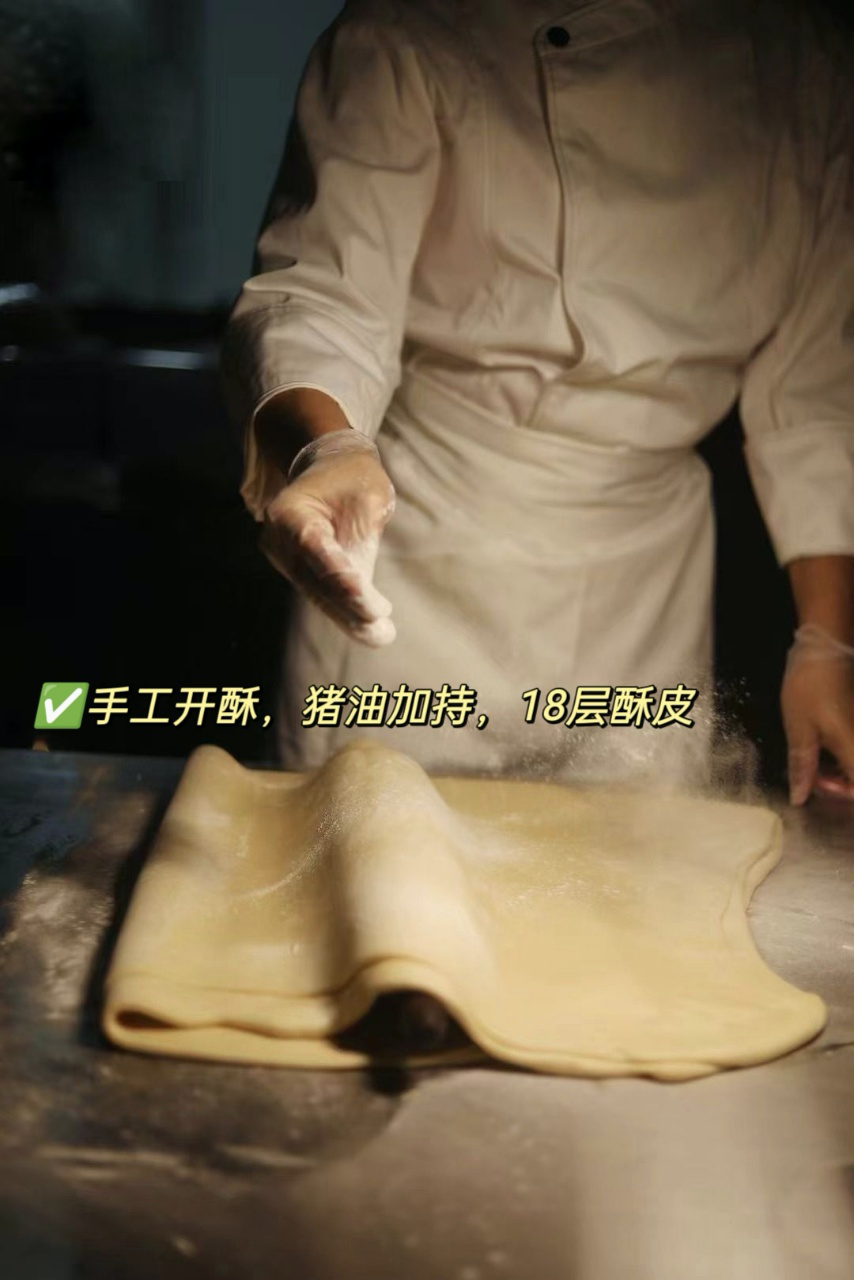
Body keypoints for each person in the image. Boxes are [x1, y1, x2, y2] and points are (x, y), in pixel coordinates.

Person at [223, 0, 854, 804]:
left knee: (635, 868)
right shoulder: (412, 29)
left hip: (645, 580)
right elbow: (324, 295)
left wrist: (828, 641)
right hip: (427, 550)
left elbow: (818, 388)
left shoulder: (811, 54)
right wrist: (326, 448)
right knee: (369, 854)